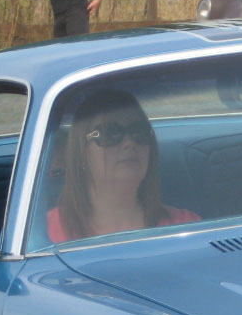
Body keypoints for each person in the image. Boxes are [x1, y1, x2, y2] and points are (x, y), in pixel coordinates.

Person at [48, 90, 197, 243]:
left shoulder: (187, 228)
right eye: (110, 133)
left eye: (139, 132)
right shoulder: (45, 237)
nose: (129, 143)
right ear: (80, 153)